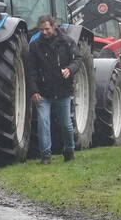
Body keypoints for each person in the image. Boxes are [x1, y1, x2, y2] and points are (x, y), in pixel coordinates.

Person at [27, 14, 81, 164]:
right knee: (43, 123)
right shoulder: (35, 46)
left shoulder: (67, 42)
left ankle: (69, 150)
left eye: (46, 29)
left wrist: (69, 70)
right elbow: (31, 70)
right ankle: (46, 155)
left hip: (62, 90)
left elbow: (78, 59)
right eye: (41, 30)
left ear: (53, 27)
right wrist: (33, 90)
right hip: (43, 92)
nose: (44, 32)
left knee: (66, 125)